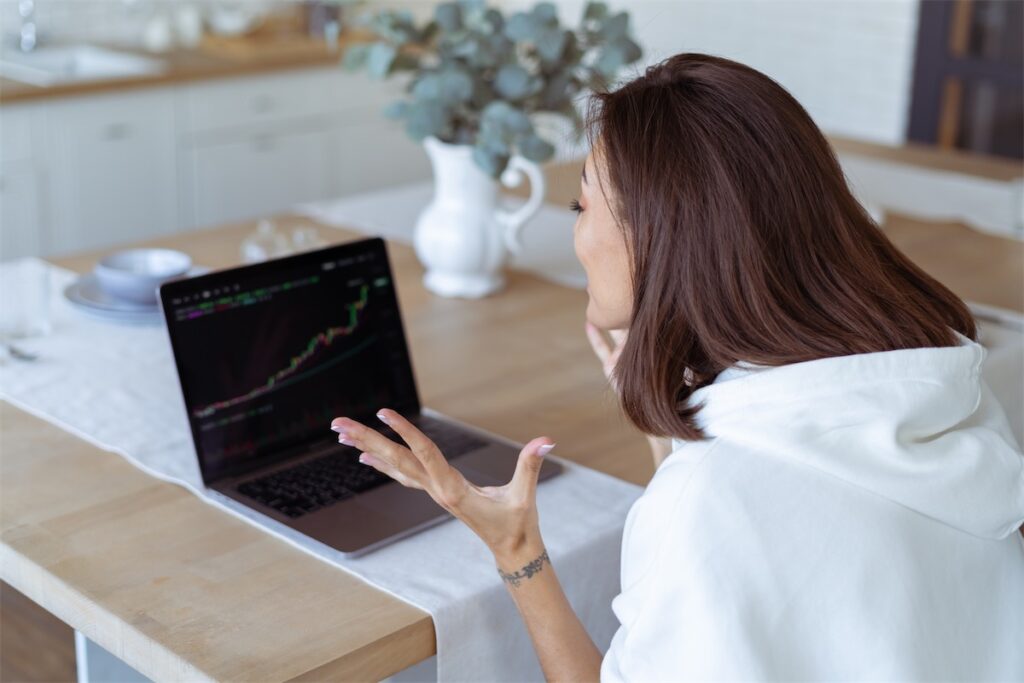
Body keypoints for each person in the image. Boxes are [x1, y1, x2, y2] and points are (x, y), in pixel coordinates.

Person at [330, 53, 1024, 681]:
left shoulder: (703, 506)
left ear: (665, 240)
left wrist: (515, 547)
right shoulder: (939, 389)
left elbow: (728, 520)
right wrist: (681, 414)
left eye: (580, 205)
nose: (573, 231)